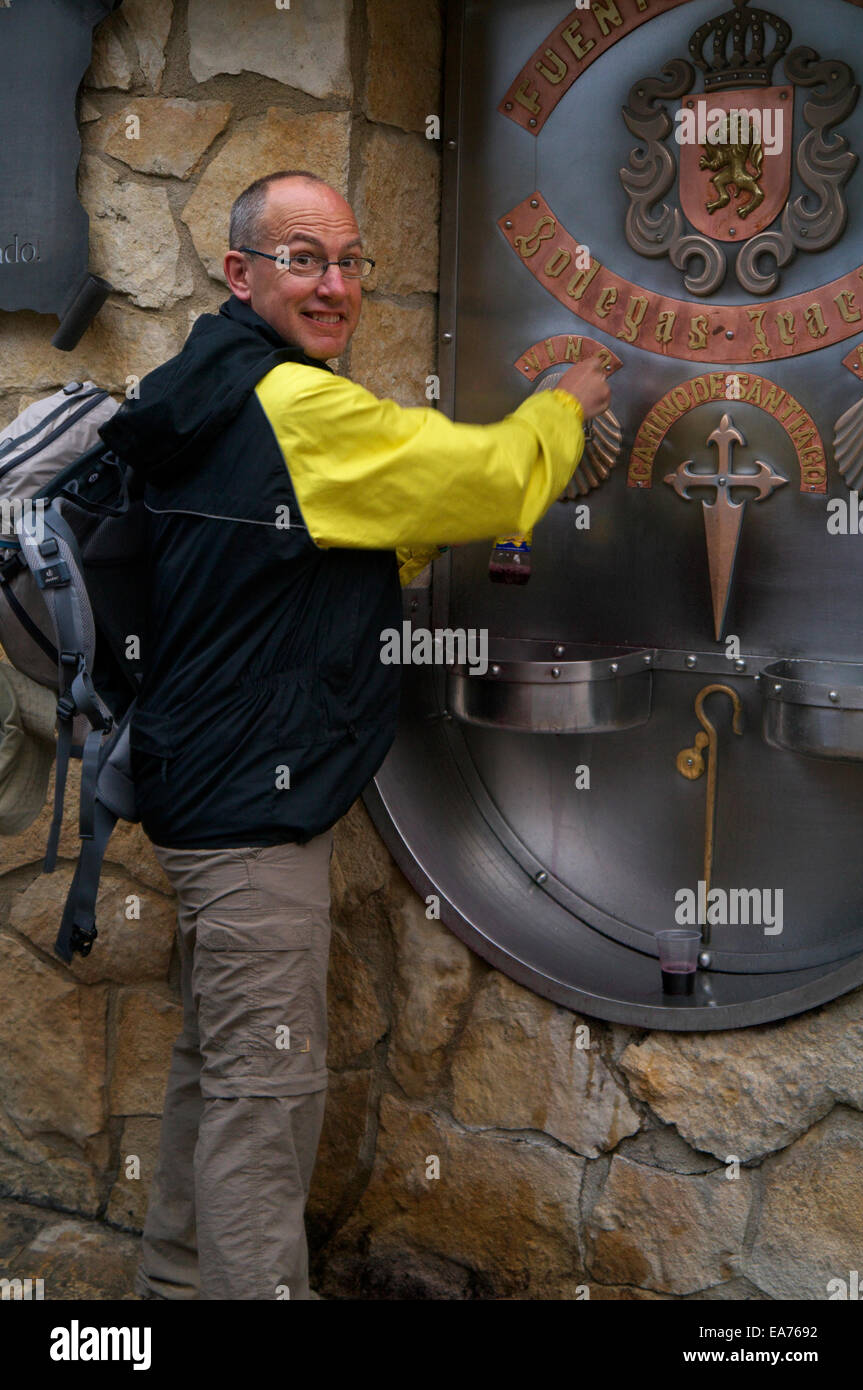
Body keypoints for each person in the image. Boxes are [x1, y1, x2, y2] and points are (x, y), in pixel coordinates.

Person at [99, 168, 611, 1301]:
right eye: (301, 258)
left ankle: (174, 1292)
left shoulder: (212, 385)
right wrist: (566, 401)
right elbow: (475, 476)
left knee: (221, 1074)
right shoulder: (296, 405)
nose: (333, 284)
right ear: (241, 273)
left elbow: (323, 548)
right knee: (265, 1101)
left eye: (348, 261)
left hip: (201, 785)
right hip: (246, 814)